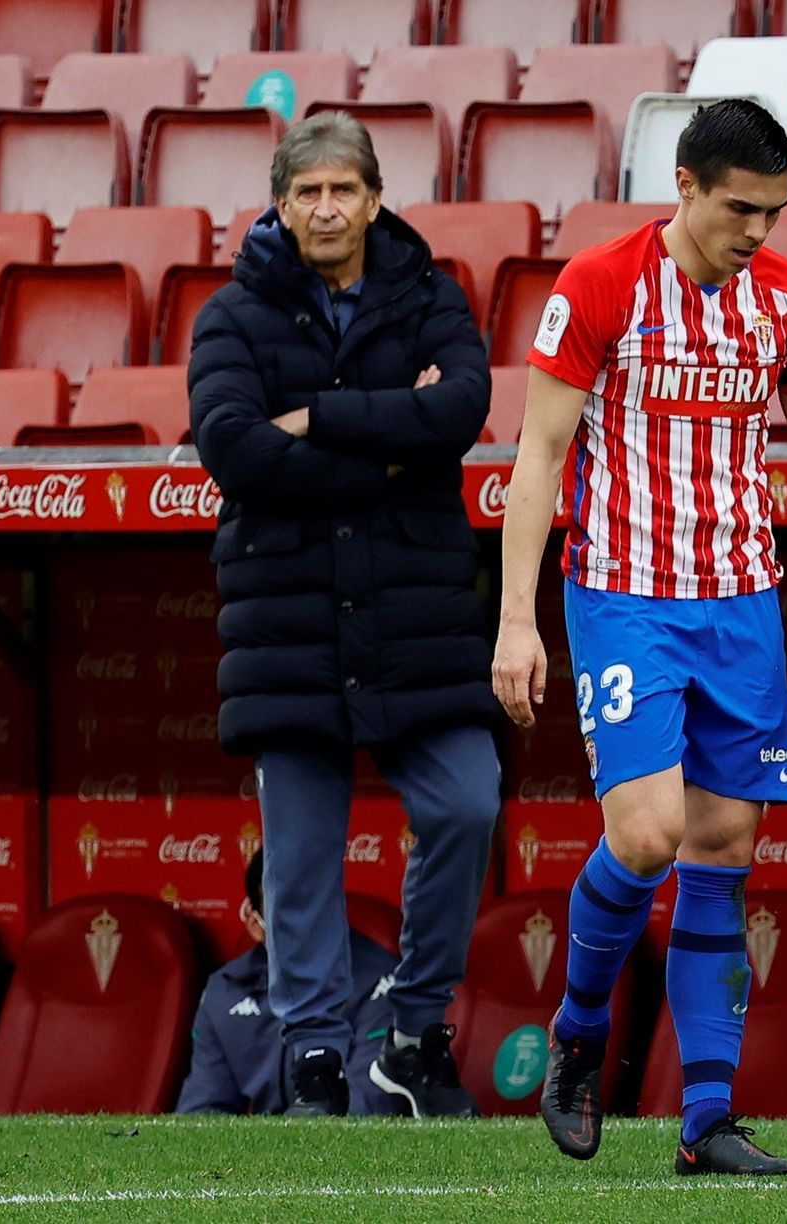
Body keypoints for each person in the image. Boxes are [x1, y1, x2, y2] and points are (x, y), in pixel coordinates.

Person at [492, 98, 787, 1177]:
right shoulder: (599, 285)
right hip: (623, 595)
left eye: (773, 211)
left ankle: (705, 1122)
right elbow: (536, 459)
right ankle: (581, 1033)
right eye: (738, 208)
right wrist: (517, 621)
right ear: (683, 187)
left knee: (722, 853)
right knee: (647, 833)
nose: (759, 230)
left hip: (742, 604)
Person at [188, 111, 502, 1119]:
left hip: (416, 618)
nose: (327, 207)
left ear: (373, 198)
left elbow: (458, 411)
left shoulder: (429, 295)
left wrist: (319, 417)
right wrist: (389, 445)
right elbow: (233, 448)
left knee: (466, 805)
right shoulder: (229, 317)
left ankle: (410, 1027)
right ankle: (316, 1059)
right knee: (301, 860)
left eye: (344, 189)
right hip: (290, 624)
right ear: (280, 204)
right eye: (307, 191)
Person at [176, 850, 398, 1116]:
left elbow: (369, 1106)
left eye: (313, 905)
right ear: (256, 924)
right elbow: (202, 1111)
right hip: (259, 1152)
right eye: (286, 912)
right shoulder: (225, 991)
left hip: (346, 1151)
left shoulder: (381, 982)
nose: (304, 923)